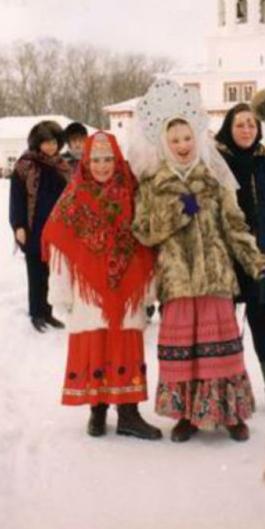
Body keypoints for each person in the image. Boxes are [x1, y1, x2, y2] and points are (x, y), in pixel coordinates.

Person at [129, 79, 265, 443]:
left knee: (223, 350)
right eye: (174, 140)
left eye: (187, 138)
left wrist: (255, 260)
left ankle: (232, 413)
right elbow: (142, 230)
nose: (182, 145)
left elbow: (235, 224)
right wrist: (178, 212)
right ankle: (187, 415)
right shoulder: (151, 184)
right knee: (183, 352)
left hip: (215, 276)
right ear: (164, 143)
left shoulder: (213, 178)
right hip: (176, 280)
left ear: (197, 139)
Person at [42, 131, 162, 440]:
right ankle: (97, 409)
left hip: (126, 286)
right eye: (95, 160)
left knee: (125, 343)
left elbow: (146, 242)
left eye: (108, 159)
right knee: (96, 341)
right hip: (88, 292)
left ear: (117, 160)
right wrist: (62, 291)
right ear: (85, 161)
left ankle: (129, 413)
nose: (102, 166)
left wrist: (148, 285)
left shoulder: (132, 193)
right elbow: (59, 244)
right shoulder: (73, 197)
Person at [214, 103, 265, 410]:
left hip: (261, 250)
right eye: (240, 124)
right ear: (229, 127)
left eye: (251, 125)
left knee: (264, 321)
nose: (246, 130)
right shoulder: (215, 160)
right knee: (223, 326)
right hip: (224, 253)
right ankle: (229, 389)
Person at [9, 120, 70, 332]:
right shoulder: (25, 166)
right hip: (33, 228)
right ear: (37, 143)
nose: (51, 147)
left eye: (54, 142)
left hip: (57, 229)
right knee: (36, 273)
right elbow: (16, 198)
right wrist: (18, 226)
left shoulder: (62, 166)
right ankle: (36, 313)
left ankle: (48, 311)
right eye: (45, 142)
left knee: (52, 273)